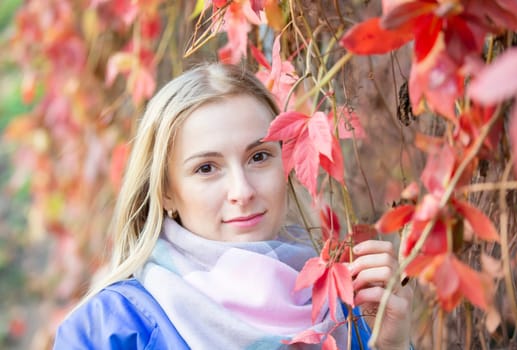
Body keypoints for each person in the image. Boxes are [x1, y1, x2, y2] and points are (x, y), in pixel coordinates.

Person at [53, 63, 413, 349]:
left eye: (259, 157)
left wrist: (392, 347)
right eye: (206, 168)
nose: (242, 191)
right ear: (164, 191)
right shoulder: (110, 329)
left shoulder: (349, 315)